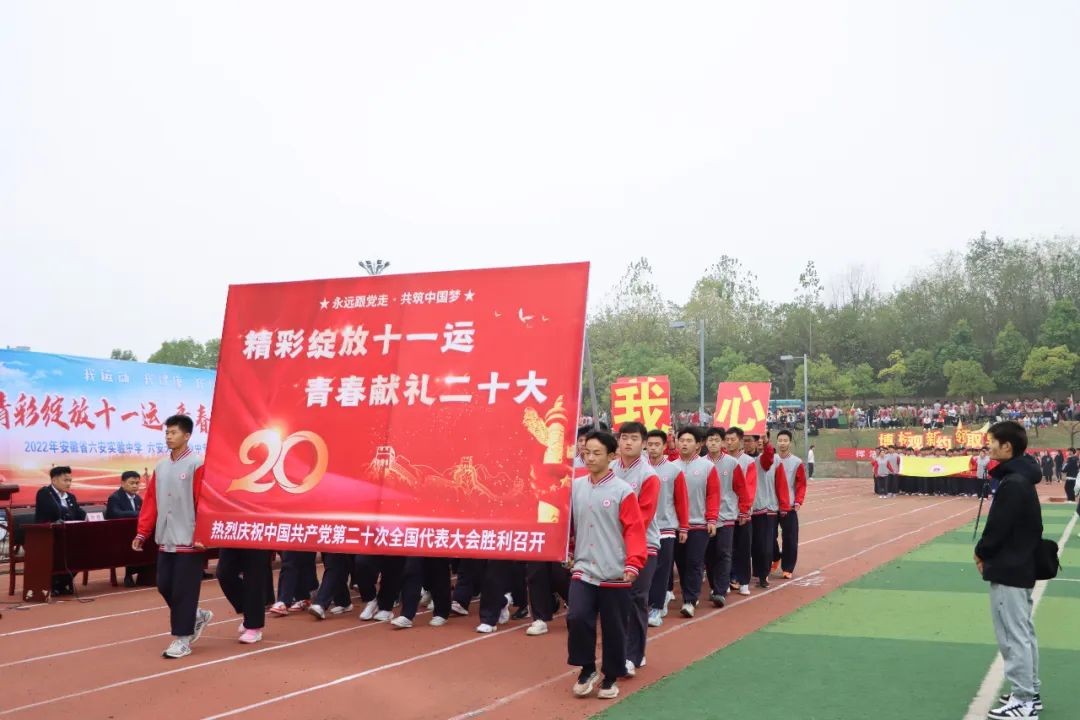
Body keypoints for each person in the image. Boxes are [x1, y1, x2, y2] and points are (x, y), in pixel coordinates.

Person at [566, 430, 646, 701]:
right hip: (583, 569)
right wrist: (566, 549)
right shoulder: (576, 487)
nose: (590, 458)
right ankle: (587, 668)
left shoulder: (623, 491)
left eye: (596, 453)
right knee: (577, 617)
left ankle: (610, 676)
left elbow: (634, 530)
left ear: (611, 456)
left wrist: (633, 563)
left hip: (615, 571)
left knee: (614, 627)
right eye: (586, 452)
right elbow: (567, 524)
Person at [975, 421, 1044, 719]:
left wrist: (982, 551)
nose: (989, 446)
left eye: (993, 441)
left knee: (1013, 636)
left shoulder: (1014, 483)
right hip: (1019, 565)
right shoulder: (1019, 477)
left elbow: (998, 527)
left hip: (1010, 567)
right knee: (1022, 633)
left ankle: (1023, 700)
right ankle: (1030, 692)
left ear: (1007, 446)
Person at [133, 415, 214, 659]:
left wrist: (203, 533)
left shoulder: (197, 464)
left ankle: (183, 639)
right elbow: (151, 502)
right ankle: (196, 616)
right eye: (167, 432)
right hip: (166, 538)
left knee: (183, 590)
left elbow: (204, 502)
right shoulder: (161, 467)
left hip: (189, 538)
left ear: (187, 436)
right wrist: (143, 532)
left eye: (174, 432)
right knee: (164, 585)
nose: (168, 436)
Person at [609, 422, 659, 678]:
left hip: (643, 546)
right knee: (616, 602)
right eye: (624, 437)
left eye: (634, 438)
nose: (628, 442)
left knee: (636, 598)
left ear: (644, 443)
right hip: (612, 546)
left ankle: (633, 655)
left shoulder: (648, 476)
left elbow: (643, 518)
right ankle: (620, 651)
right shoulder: (610, 469)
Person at [673, 427, 720, 616]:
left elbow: (713, 494)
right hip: (676, 525)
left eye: (689, 440)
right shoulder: (671, 467)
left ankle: (690, 600)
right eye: (681, 440)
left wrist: (712, 518)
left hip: (698, 523)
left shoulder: (707, 467)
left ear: (698, 445)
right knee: (681, 563)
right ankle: (689, 593)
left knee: (694, 562)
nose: (684, 444)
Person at [644, 429, 688, 628]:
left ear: (664, 446)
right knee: (645, 569)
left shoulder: (674, 471)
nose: (653, 448)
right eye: (650, 444)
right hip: (644, 528)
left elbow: (681, 501)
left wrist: (684, 527)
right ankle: (647, 603)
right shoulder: (640, 468)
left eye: (657, 445)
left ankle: (656, 607)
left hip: (666, 527)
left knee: (662, 569)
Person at [34, 465, 87, 595]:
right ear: (54, 480)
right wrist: (68, 511)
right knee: (62, 552)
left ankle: (62, 583)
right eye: (65, 480)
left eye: (70, 480)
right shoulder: (44, 493)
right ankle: (54, 583)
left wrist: (89, 517)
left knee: (84, 552)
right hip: (47, 535)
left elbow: (79, 513)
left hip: (68, 535)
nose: (68, 483)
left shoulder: (70, 497)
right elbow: (54, 510)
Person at [216, 547, 271, 644]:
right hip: (231, 539)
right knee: (224, 573)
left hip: (257, 541)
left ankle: (254, 626)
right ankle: (249, 612)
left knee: (254, 578)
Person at [772, 431, 807, 579]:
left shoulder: (796, 462)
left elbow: (801, 483)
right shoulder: (770, 460)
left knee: (790, 538)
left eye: (785, 440)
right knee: (768, 536)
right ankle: (775, 556)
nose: (782, 443)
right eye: (780, 440)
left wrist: (798, 501)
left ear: (790, 442)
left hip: (789, 505)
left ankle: (788, 567)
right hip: (772, 504)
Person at [106, 471, 146, 587]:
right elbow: (116, 514)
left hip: (134, 532)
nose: (135, 486)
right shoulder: (114, 498)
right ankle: (128, 575)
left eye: (137, 483)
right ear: (123, 483)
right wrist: (138, 514)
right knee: (131, 542)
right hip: (117, 535)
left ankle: (145, 574)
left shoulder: (137, 498)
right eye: (131, 483)